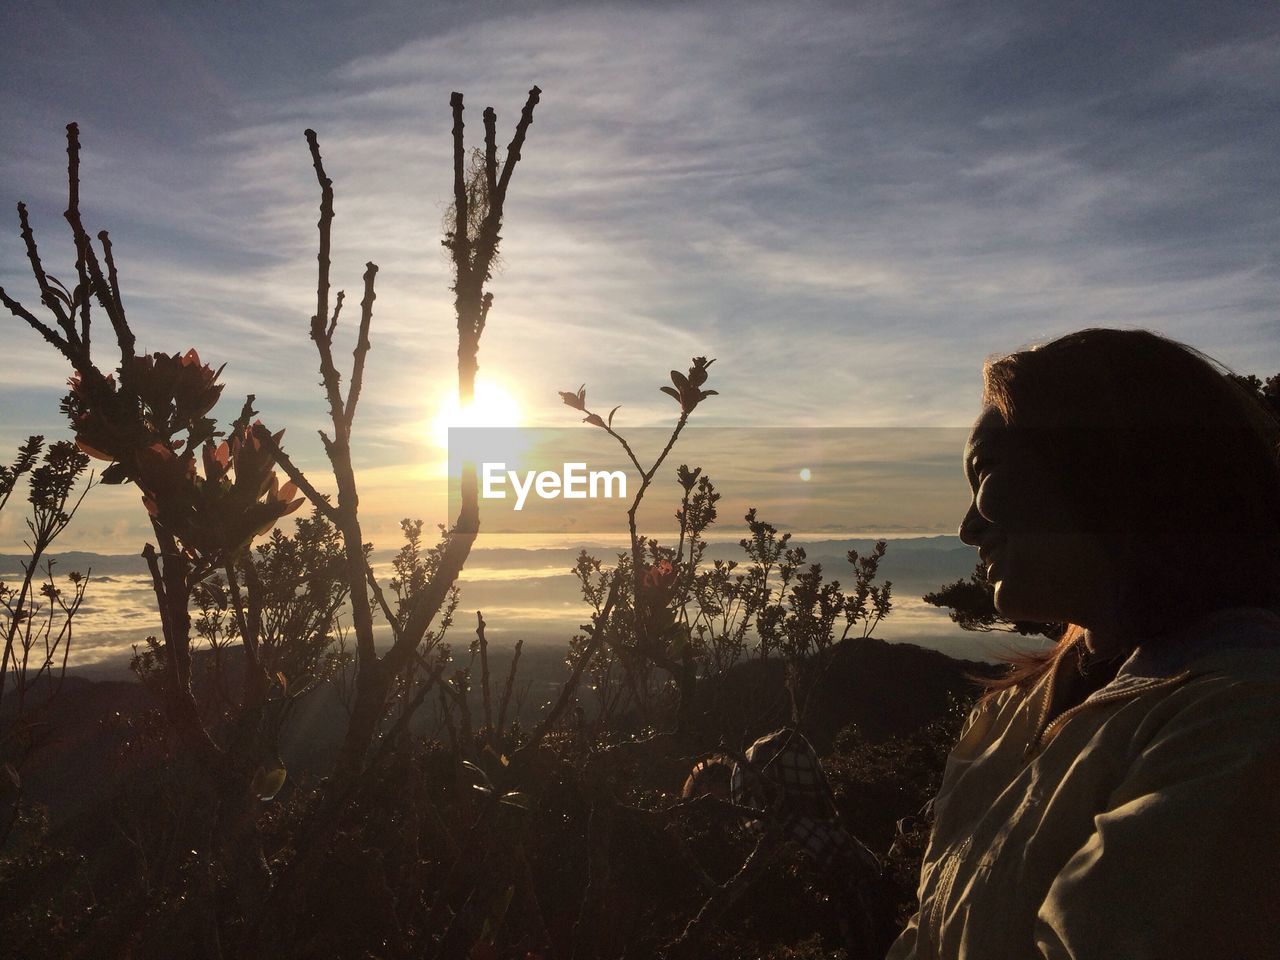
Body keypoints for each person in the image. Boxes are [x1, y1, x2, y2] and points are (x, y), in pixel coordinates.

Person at [886, 328, 1280, 959]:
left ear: (1109, 473)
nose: (966, 531)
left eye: (985, 481)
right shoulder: (1015, 710)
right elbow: (931, 930)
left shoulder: (1241, 723)